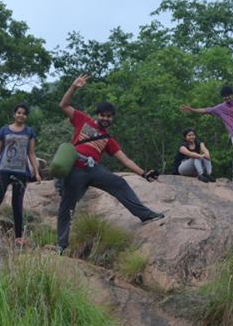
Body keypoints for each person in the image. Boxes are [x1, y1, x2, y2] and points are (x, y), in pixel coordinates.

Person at [56, 74, 164, 255]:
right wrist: (74, 87)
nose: (105, 118)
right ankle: (61, 245)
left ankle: (145, 215)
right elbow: (64, 105)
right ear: (97, 115)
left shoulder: (108, 139)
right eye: (103, 115)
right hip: (75, 168)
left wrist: (144, 173)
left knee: (119, 183)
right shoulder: (83, 120)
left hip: (93, 169)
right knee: (67, 207)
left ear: (112, 118)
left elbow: (125, 159)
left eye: (109, 116)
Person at [0, 103, 43, 246]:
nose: (21, 115)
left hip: (21, 172)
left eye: (24, 113)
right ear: (14, 114)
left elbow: (31, 153)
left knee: (17, 205)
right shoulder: (4, 130)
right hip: (3, 171)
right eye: (19, 112)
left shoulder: (29, 132)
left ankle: (18, 237)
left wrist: (36, 172)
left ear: (26, 116)